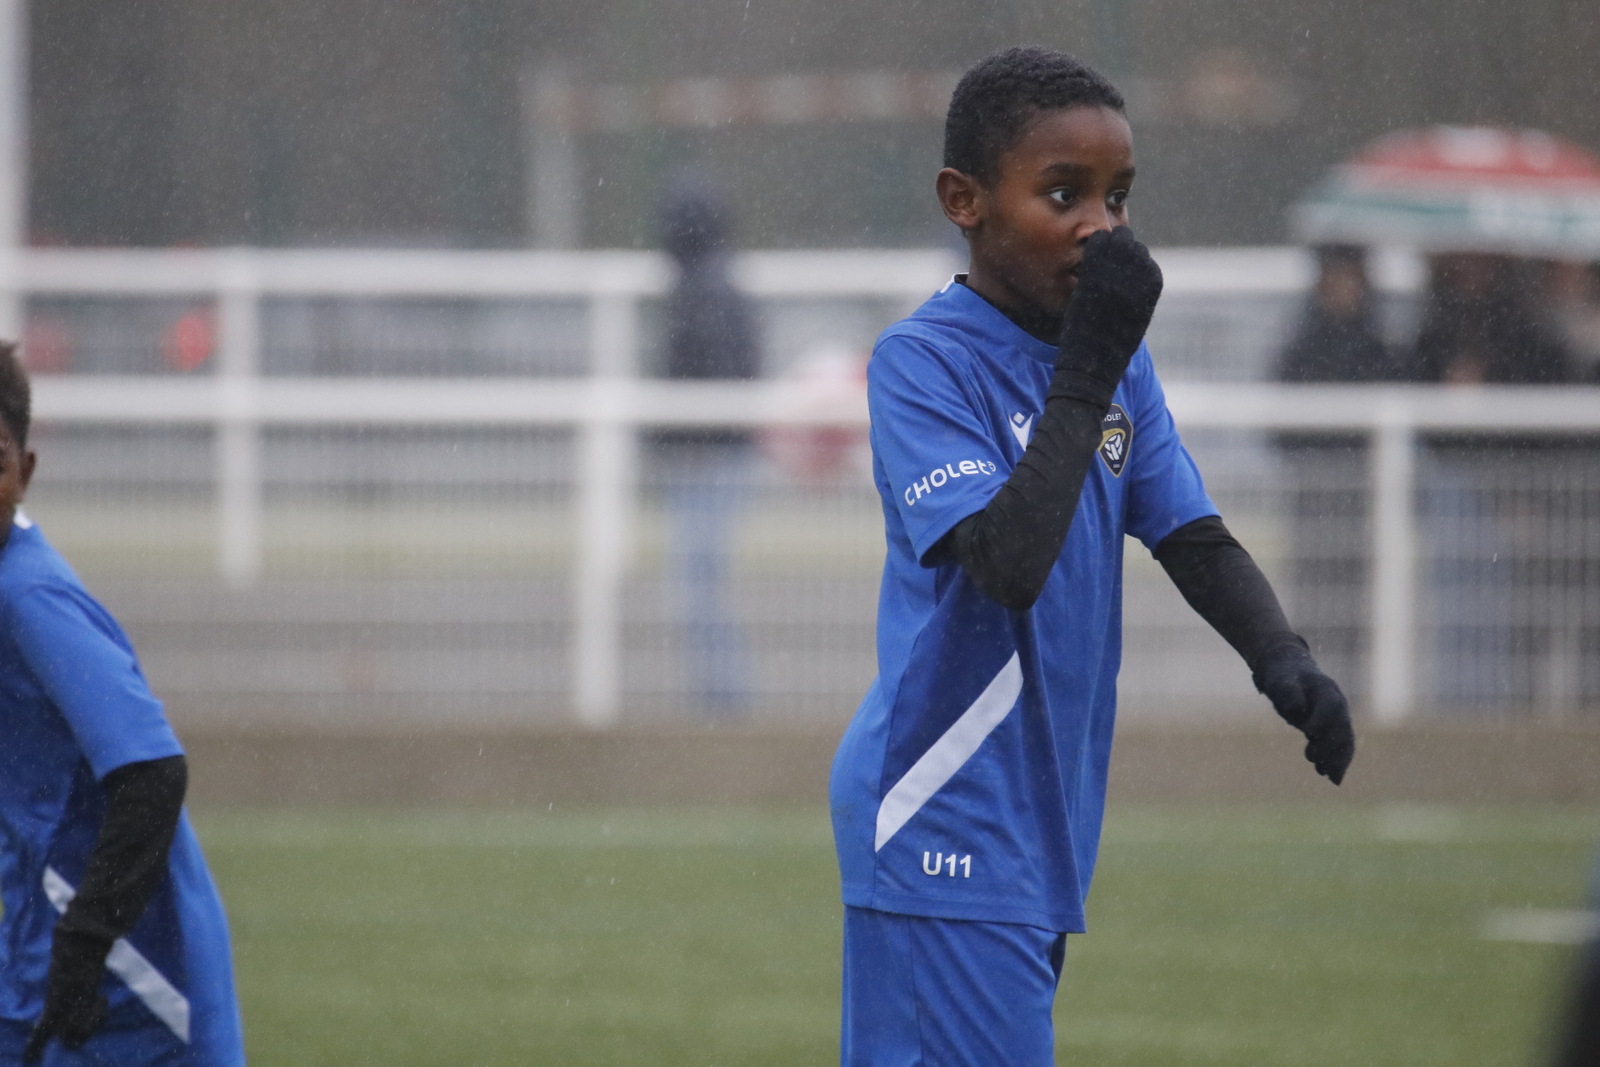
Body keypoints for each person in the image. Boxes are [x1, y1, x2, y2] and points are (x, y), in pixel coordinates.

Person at [828, 47, 1355, 1065]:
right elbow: (1006, 563)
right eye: (1062, 193)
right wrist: (1087, 368)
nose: (1099, 226)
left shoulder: (1115, 365)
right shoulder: (923, 361)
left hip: (1042, 806)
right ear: (964, 200)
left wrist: (1282, 658)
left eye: (1116, 198)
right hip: (945, 796)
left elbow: (1190, 532)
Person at [0, 343, 245, 1067]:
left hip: (128, 980)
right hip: (40, 948)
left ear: (25, 471)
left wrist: (85, 942)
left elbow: (152, 774)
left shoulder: (30, 597)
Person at [1273, 244, 1400, 702]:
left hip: (1366, 496)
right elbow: (1280, 425)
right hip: (1317, 494)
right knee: (1316, 596)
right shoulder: (1303, 345)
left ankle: (1358, 690)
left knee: (1362, 597)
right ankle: (1313, 688)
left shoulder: (1377, 344)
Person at [656, 171, 761, 717]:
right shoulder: (717, 283)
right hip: (715, 456)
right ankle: (721, 701)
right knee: (699, 584)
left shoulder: (706, 290)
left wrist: (682, 437)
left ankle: (726, 705)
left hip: (710, 460)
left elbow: (712, 376)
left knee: (698, 586)